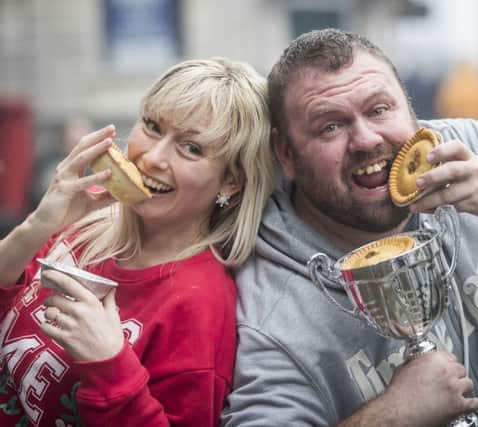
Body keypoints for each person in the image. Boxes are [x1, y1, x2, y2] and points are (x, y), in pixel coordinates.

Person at [221, 28, 478, 427]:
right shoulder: (272, 313)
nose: (366, 139)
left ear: (411, 109)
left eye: (380, 109)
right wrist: (392, 415)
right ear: (286, 154)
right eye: (330, 125)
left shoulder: (451, 157)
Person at [0, 57, 274, 426]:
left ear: (231, 182)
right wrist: (38, 226)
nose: (153, 158)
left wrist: (108, 363)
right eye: (153, 126)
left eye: (191, 148)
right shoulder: (89, 229)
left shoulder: (199, 304)